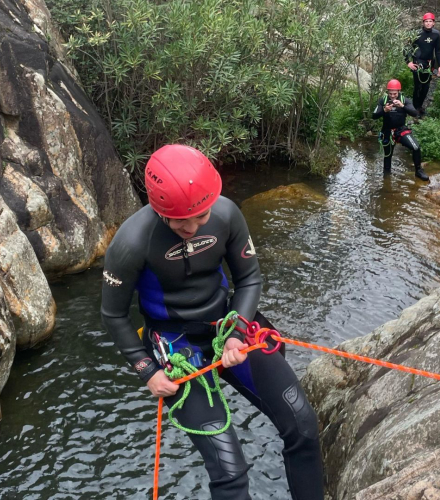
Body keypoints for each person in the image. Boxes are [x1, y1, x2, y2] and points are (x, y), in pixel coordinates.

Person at [100, 144, 324, 500]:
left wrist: (236, 334)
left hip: (226, 325)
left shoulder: (226, 214)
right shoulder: (131, 243)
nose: (191, 227)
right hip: (174, 346)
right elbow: (112, 313)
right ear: (159, 209)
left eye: (200, 216)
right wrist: (148, 371)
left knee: (303, 425)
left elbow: (249, 278)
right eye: (179, 221)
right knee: (230, 473)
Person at [373, 79, 428, 181]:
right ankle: (386, 180)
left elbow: (415, 113)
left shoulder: (405, 100)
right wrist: (384, 110)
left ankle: (418, 171)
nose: (392, 96)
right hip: (387, 131)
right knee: (388, 156)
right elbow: (374, 115)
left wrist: (402, 106)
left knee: (416, 147)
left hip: (401, 130)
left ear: (399, 92)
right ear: (387, 92)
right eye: (390, 94)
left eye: (394, 94)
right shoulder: (383, 100)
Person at [405, 12, 440, 115]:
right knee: (418, 86)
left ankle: (420, 106)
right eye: (426, 21)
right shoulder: (416, 33)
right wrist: (408, 62)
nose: (428, 23)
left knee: (426, 87)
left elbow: (438, 51)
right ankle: (414, 107)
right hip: (417, 63)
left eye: (430, 21)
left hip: (429, 63)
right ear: (423, 23)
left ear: (434, 23)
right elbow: (407, 48)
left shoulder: (436, 34)